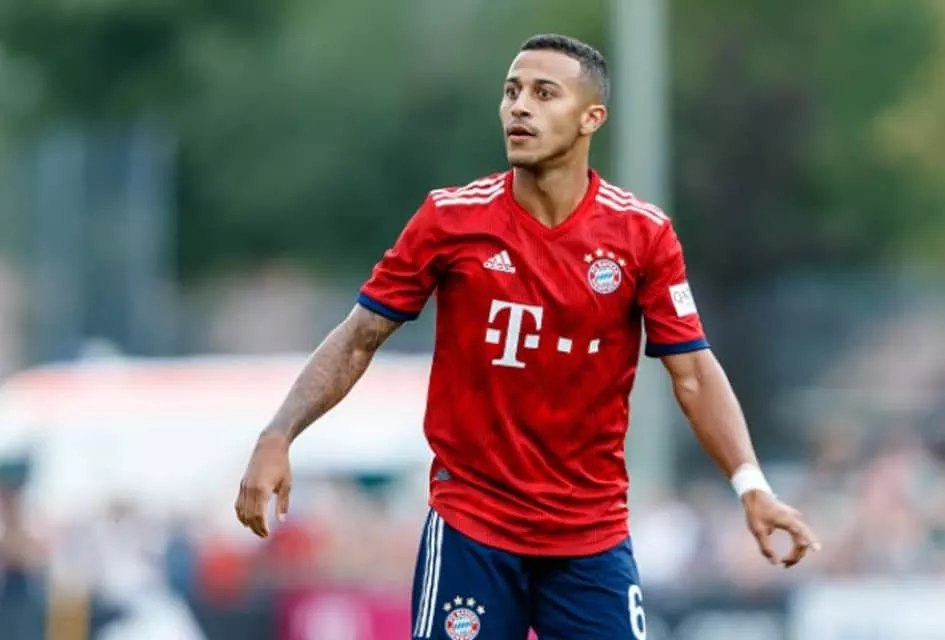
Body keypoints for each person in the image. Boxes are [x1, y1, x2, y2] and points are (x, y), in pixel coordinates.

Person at [235, 34, 820, 639]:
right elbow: (359, 338)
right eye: (512, 91)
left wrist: (751, 486)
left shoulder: (641, 236)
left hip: (589, 539)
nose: (519, 107)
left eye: (544, 94)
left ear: (591, 118)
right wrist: (278, 434)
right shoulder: (450, 219)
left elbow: (693, 373)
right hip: (472, 530)